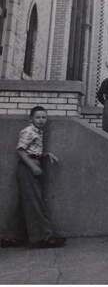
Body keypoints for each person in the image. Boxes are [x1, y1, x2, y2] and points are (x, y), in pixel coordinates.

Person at [1, 106, 66, 248]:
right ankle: (43, 237)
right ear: (31, 118)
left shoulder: (38, 132)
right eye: (38, 117)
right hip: (27, 169)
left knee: (25, 203)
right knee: (35, 202)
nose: (41, 120)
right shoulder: (28, 131)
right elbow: (21, 151)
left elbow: (33, 150)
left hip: (31, 167)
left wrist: (46, 155)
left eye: (44, 117)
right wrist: (33, 167)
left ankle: (11, 237)